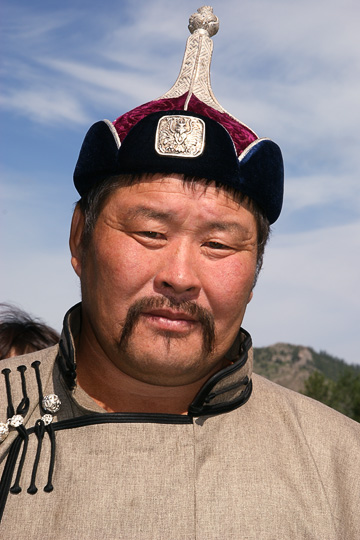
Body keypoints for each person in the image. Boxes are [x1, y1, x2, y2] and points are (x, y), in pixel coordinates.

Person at [0, 6, 359, 539]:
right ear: (79, 237)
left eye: (218, 243)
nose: (181, 275)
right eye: (150, 233)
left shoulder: (340, 466)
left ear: (256, 268)